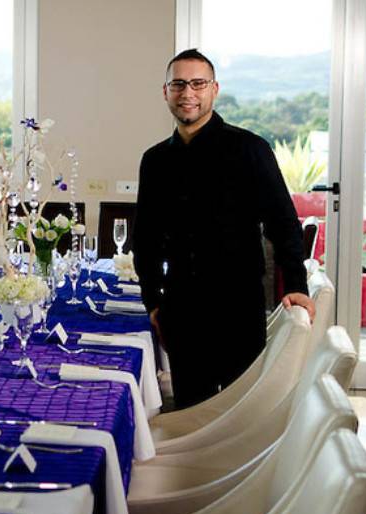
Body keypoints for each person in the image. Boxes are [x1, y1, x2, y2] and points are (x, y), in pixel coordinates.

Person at [133, 48, 315, 409]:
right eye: (179, 84)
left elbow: (283, 223)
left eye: (198, 83)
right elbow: (146, 240)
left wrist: (296, 284)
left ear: (214, 89)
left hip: (238, 308)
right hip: (181, 309)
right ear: (165, 91)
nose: (188, 93)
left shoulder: (249, 149)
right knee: (191, 412)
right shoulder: (155, 161)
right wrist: (153, 302)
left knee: (239, 416)